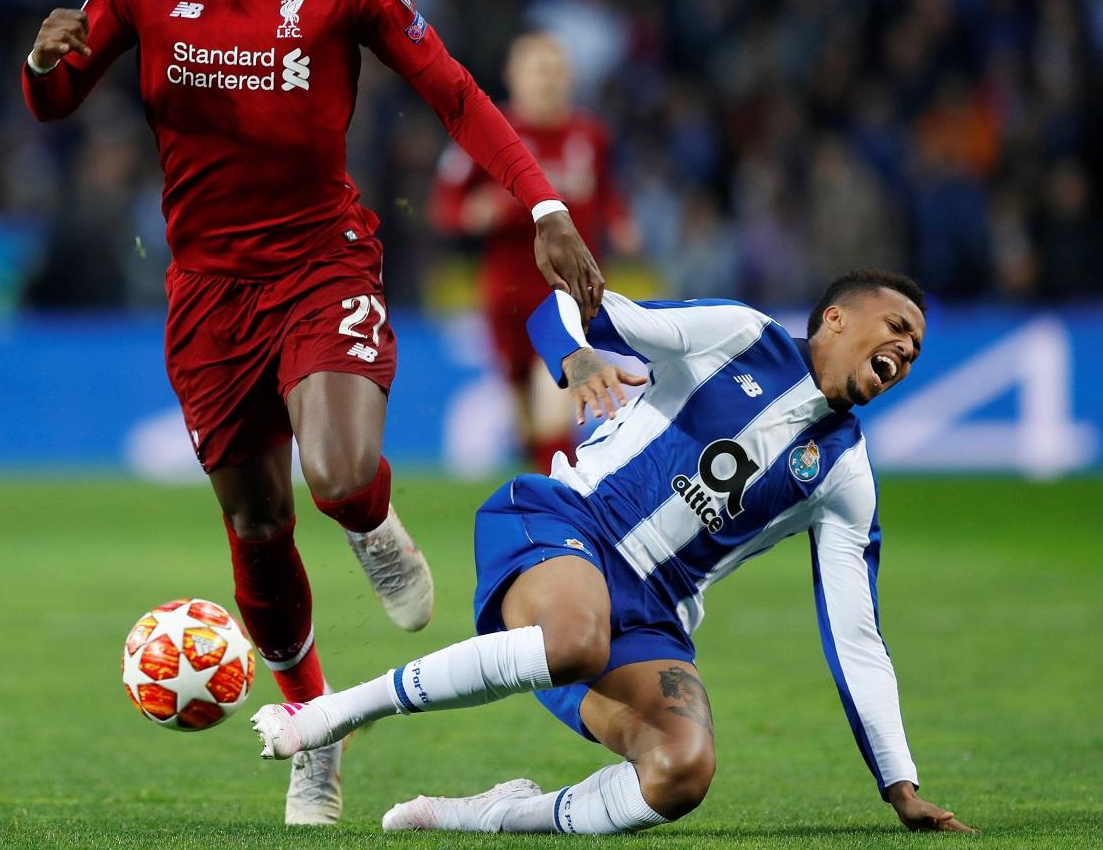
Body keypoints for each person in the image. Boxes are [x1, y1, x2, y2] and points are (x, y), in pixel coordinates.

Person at [19, 0, 604, 825]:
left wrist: (545, 205)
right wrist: (42, 60)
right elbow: (58, 100)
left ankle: (373, 522)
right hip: (207, 291)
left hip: (319, 262)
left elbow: (455, 91)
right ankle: (315, 732)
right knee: (256, 524)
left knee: (335, 475)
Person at [252, 270, 975, 835]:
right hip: (568, 521)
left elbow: (856, 636)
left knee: (682, 769)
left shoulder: (845, 475)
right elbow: (565, 306)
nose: (907, 350)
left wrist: (898, 782)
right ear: (836, 318)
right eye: (897, 327)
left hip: (651, 616)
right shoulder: (741, 336)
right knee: (576, 636)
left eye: (916, 348)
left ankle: (497, 814)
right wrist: (573, 355)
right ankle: (330, 716)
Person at [432, 32, 638, 473]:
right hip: (505, 297)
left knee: (553, 407)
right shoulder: (489, 133)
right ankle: (545, 483)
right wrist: (476, 213)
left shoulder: (591, 135)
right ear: (513, 77)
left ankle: (563, 495)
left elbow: (607, 192)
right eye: (537, 70)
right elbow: (445, 206)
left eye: (555, 70)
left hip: (568, 295)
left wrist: (620, 223)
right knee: (526, 419)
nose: (548, 80)